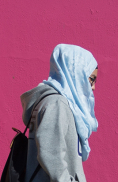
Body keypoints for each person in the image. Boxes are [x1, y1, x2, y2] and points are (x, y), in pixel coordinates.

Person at [20, 44, 98, 182]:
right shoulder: (57, 104)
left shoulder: (59, 104)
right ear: (76, 73)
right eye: (91, 79)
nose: (93, 87)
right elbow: (50, 153)